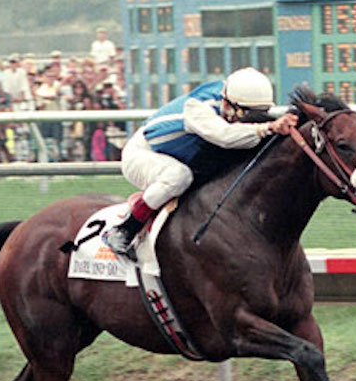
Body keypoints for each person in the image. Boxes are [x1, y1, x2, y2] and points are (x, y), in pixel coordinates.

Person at [106, 67, 298, 260]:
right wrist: (269, 127)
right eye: (246, 113)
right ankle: (124, 230)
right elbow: (224, 136)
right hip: (143, 153)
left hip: (180, 155)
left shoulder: (235, 98)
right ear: (228, 104)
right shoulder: (197, 108)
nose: (250, 119)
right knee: (178, 176)